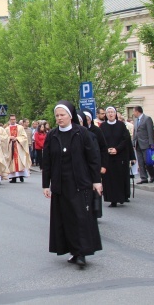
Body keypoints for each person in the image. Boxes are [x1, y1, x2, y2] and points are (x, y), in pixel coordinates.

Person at [42, 101, 102, 267]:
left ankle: (82, 252)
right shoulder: (52, 135)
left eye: (62, 115)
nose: (59, 118)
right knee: (65, 219)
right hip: (61, 185)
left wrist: (96, 180)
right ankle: (72, 250)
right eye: (57, 116)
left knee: (80, 218)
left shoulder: (82, 133)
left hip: (80, 183)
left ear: (70, 116)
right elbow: (46, 162)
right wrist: (46, 184)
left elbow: (93, 158)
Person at [99, 107, 134, 207]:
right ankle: (112, 199)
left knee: (120, 177)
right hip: (108, 157)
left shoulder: (121, 125)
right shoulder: (103, 126)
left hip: (120, 156)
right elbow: (101, 140)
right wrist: (108, 149)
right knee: (109, 179)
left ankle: (121, 197)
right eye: (108, 112)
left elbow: (125, 139)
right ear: (106, 114)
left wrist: (117, 149)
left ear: (115, 114)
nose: (110, 114)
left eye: (112, 112)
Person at [132, 106, 154, 184]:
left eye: (134, 111)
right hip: (138, 144)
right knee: (140, 162)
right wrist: (133, 142)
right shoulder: (136, 120)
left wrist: (151, 144)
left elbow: (150, 132)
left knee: (147, 161)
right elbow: (135, 133)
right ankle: (143, 178)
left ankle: (152, 175)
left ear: (137, 111)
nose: (133, 113)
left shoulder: (147, 119)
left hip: (146, 144)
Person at [6, 114, 32, 183]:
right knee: (12, 162)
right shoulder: (7, 129)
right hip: (11, 147)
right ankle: (13, 178)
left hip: (19, 147)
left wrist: (17, 138)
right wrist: (9, 138)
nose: (13, 121)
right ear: (9, 120)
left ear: (16, 119)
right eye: (11, 119)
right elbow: (5, 138)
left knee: (20, 162)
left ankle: (21, 176)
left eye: (14, 119)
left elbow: (24, 137)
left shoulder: (20, 127)